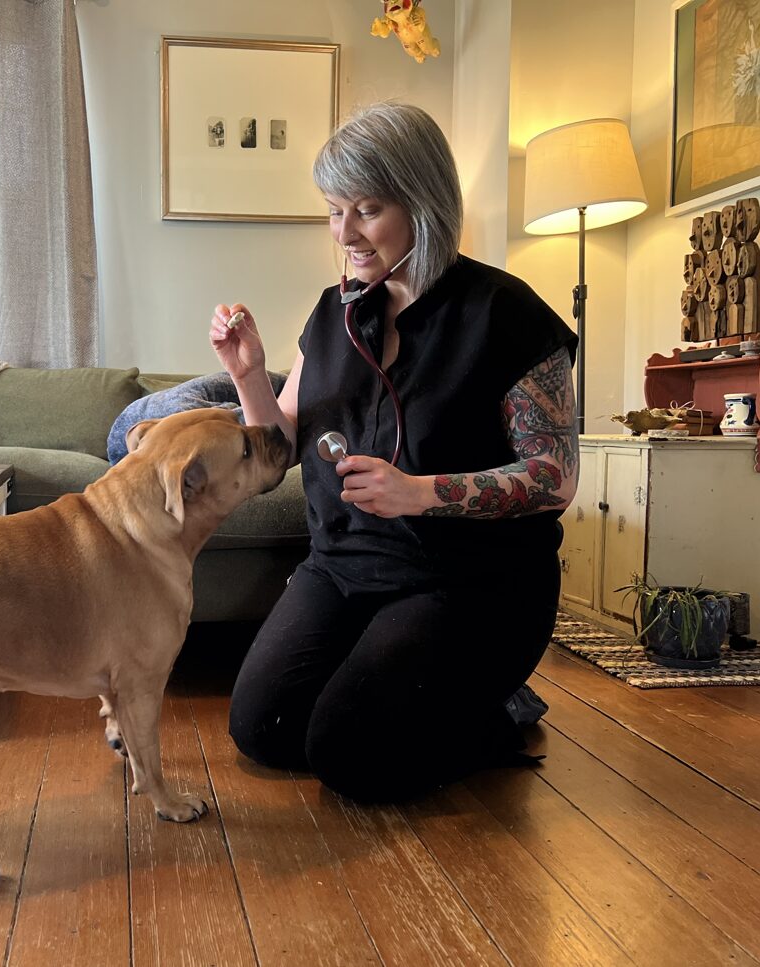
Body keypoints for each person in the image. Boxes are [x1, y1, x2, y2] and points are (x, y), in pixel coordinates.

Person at [208, 102, 579, 802]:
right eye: (333, 209)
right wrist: (249, 374)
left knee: (346, 754)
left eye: (367, 209)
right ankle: (401, 683)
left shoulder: (506, 314)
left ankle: (491, 711)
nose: (344, 232)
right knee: (262, 727)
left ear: (423, 201)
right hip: (345, 568)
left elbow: (554, 478)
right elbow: (277, 450)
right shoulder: (333, 314)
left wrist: (421, 491)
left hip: (469, 581)